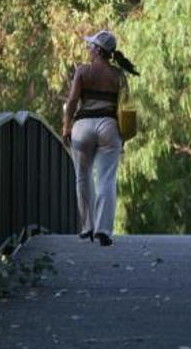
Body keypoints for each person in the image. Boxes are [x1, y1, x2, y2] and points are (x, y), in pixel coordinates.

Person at [62, 30, 139, 247]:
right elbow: (124, 108)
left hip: (83, 126)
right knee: (105, 179)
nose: (88, 49)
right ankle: (103, 230)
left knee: (82, 177)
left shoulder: (83, 71)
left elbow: (73, 100)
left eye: (91, 46)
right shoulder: (118, 75)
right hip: (109, 126)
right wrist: (122, 135)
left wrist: (67, 126)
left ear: (98, 50)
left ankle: (87, 227)